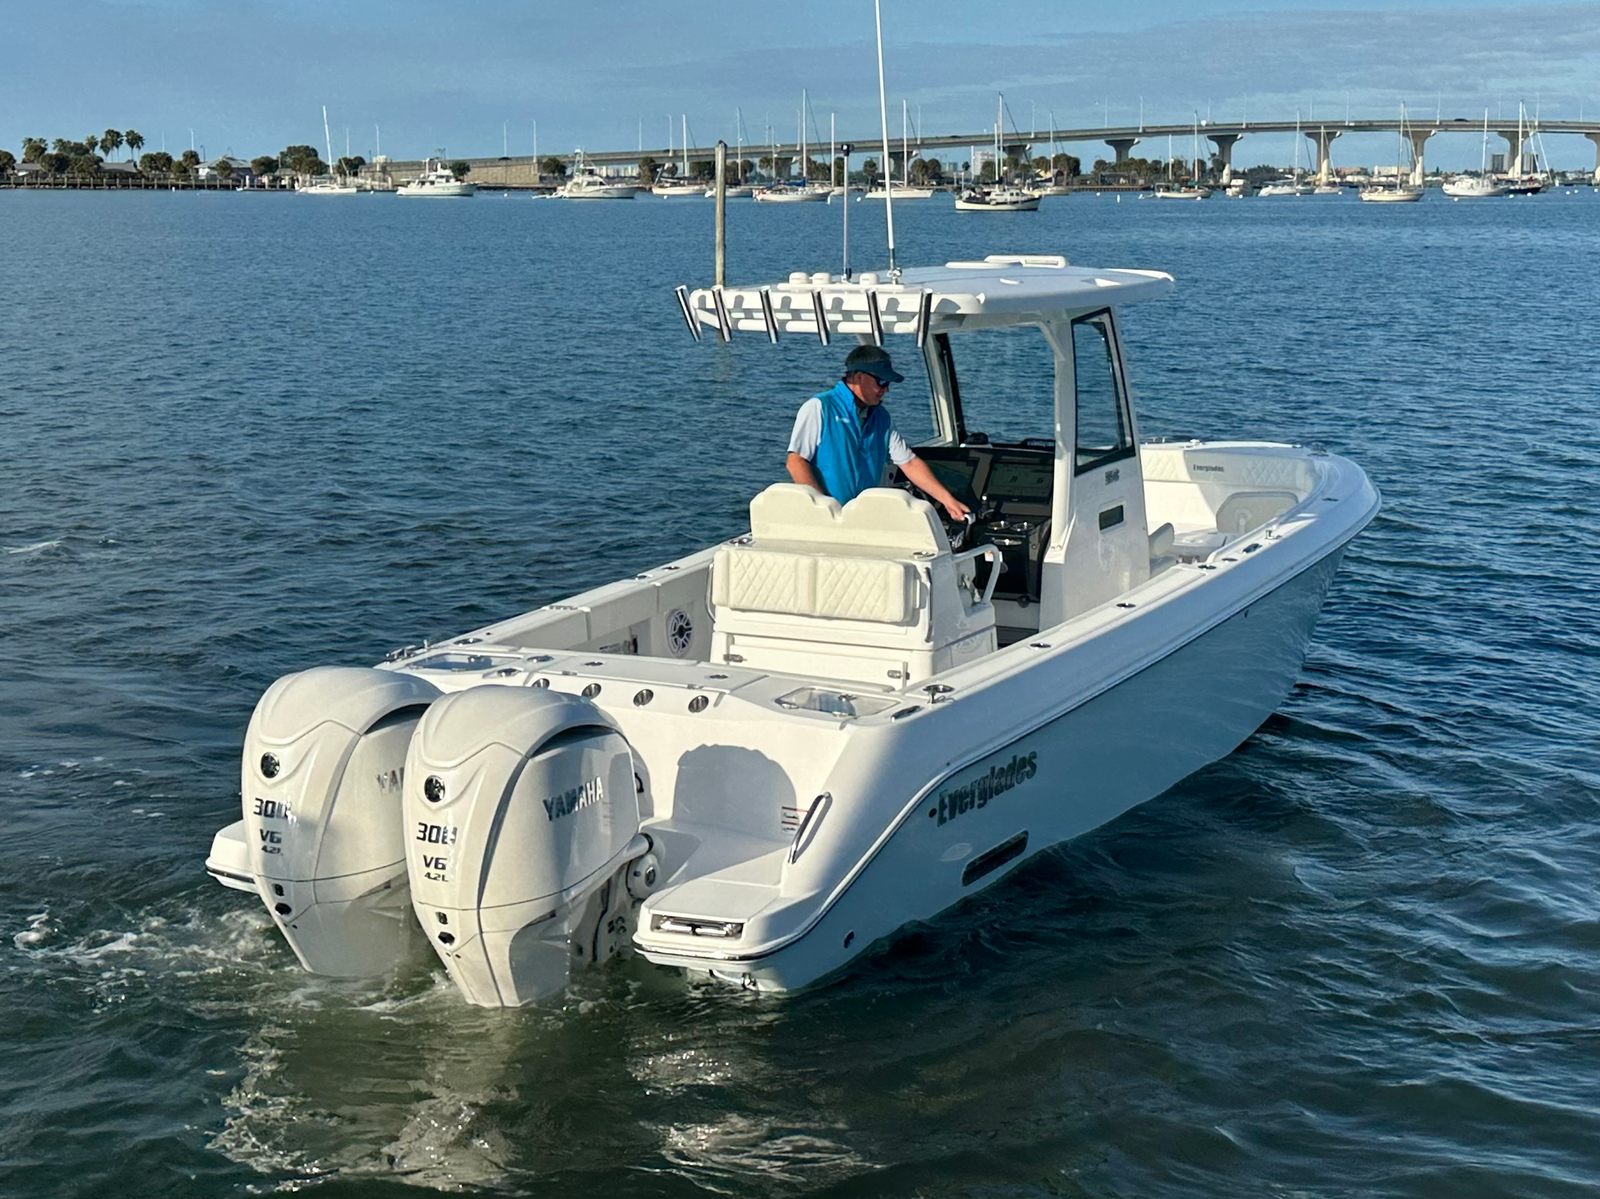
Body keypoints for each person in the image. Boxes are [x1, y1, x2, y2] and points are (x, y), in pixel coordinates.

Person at [785, 345, 971, 522]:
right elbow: (796, 462)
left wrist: (948, 501)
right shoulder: (820, 407)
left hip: (864, 518)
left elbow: (909, 462)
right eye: (881, 382)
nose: (885, 389)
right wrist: (823, 509)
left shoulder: (882, 417)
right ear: (859, 377)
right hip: (825, 518)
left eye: (887, 383)